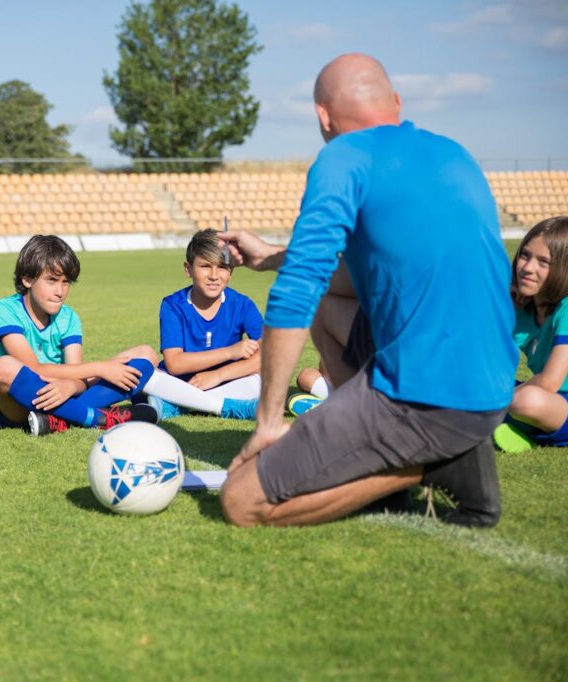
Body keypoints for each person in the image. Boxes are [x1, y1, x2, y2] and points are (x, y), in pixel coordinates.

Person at [218, 53, 518, 528]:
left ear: (323, 115)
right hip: (494, 385)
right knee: (330, 304)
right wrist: (271, 256)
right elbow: (367, 270)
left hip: (427, 397)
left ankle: (427, 465)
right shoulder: (452, 153)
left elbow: (297, 291)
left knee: (241, 500)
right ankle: (380, 439)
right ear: (396, 102)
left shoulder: (343, 156)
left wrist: (269, 420)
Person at [0, 234, 158, 436]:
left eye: (66, 282)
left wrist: (69, 386)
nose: (60, 291)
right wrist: (101, 368)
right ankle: (98, 418)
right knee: (3, 366)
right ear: (27, 279)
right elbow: (34, 369)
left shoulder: (68, 317)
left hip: (61, 390)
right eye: (51, 280)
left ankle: (56, 420)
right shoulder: (4, 309)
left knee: (146, 354)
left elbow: (76, 374)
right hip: (17, 405)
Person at [496, 216, 568, 450]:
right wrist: (498, 300)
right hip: (550, 400)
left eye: (543, 262)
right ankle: (516, 425)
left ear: (567, 268)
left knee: (526, 402)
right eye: (525, 255)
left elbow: (548, 382)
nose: (527, 268)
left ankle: (502, 419)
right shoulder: (523, 305)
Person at [141, 228, 265, 421]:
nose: (214, 275)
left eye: (222, 267)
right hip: (182, 382)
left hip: (226, 380)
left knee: (266, 371)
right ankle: (226, 406)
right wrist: (231, 352)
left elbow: (270, 353)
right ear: (188, 269)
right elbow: (174, 364)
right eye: (205, 266)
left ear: (230, 272)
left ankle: (178, 406)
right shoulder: (173, 305)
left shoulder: (242, 304)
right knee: (143, 368)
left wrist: (218, 375)